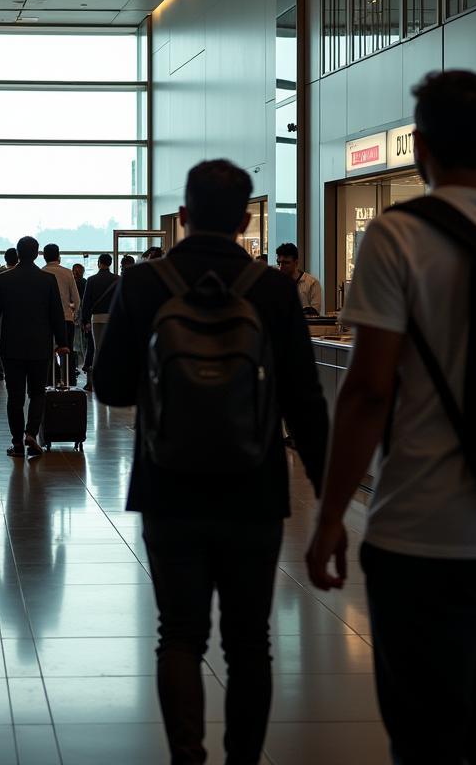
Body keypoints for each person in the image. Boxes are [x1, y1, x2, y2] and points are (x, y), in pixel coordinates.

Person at [306, 70, 476, 765]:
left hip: (425, 534)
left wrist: (328, 518)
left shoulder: (398, 235)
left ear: (421, 152)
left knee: (426, 738)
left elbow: (369, 391)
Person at [94, 160, 329, 765]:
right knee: (251, 641)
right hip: (254, 485)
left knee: (179, 635)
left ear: (185, 215)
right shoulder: (273, 289)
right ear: (248, 217)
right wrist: (329, 500)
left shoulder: (146, 284)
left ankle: (188, 757)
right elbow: (305, 400)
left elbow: (112, 389)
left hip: (168, 485)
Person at [0, 236, 68, 459]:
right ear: (37, 253)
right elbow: (57, 314)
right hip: (40, 346)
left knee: (15, 396)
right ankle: (31, 433)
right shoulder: (47, 280)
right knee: (38, 393)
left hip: (11, 347)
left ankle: (17, 443)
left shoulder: (3, 279)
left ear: (18, 253)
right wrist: (62, 342)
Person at [41, 243, 80, 386]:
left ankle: (51, 379)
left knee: (48, 353)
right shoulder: (67, 273)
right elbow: (76, 299)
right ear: (59, 256)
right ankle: (69, 380)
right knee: (66, 351)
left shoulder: (42, 272)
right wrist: (73, 314)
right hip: (66, 319)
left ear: (44, 257)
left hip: (46, 321)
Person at [79, 252, 117, 393]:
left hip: (97, 318)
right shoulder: (117, 279)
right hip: (113, 319)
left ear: (99, 262)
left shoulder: (92, 280)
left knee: (97, 349)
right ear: (110, 263)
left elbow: (86, 302)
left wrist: (85, 320)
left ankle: (97, 381)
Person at [275, 242, 322, 315]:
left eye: (286, 263)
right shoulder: (275, 282)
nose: (281, 267)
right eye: (279, 263)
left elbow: (315, 311)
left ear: (296, 263)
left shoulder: (311, 283)